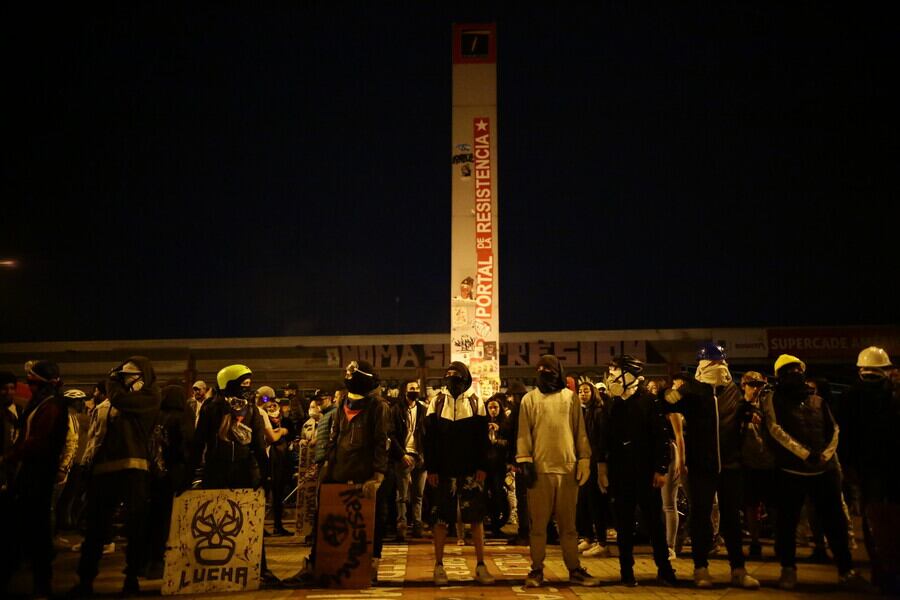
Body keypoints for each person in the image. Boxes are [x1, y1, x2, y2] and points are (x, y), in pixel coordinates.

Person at [762, 354, 873, 592]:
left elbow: (834, 429)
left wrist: (824, 455)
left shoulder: (819, 401)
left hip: (825, 471)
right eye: (789, 371)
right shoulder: (772, 399)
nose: (795, 374)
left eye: (797, 370)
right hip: (790, 472)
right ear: (780, 376)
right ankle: (788, 570)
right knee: (787, 525)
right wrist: (804, 454)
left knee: (836, 524)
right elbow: (774, 429)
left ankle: (846, 570)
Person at [284, 360, 390, 587]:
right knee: (326, 517)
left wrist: (378, 475)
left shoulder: (378, 407)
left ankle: (370, 565)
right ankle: (316, 564)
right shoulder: (342, 403)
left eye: (352, 373)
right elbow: (334, 436)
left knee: (372, 521)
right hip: (337, 471)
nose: (348, 375)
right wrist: (325, 467)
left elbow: (382, 442)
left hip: (365, 474)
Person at [663, 343, 759, 589]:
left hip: (730, 465)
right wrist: (676, 392)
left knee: (731, 519)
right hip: (701, 466)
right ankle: (700, 568)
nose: (717, 367)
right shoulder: (693, 392)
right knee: (700, 517)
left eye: (720, 363)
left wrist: (748, 406)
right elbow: (666, 404)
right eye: (712, 363)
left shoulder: (732, 392)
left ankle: (738, 569)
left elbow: (739, 419)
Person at [71, 356, 161, 597]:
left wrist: (112, 380)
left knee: (136, 527)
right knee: (96, 528)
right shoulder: (108, 404)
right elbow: (95, 437)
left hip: (135, 469)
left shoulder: (149, 397)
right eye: (123, 376)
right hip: (104, 470)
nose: (126, 380)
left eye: (130, 376)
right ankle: (86, 579)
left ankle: (132, 577)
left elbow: (122, 400)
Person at [516, 354, 599, 588]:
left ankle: (574, 568)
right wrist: (525, 462)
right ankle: (536, 570)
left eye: (548, 368)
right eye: (540, 368)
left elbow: (579, 431)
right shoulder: (529, 400)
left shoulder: (570, 399)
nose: (544, 372)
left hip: (567, 470)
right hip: (540, 471)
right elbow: (523, 434)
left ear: (558, 371)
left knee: (569, 527)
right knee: (539, 526)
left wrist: (584, 459)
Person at [598, 355, 677, 586]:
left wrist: (661, 469)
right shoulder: (612, 404)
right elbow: (603, 439)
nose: (612, 378)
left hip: (645, 474)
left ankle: (664, 569)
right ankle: (626, 571)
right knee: (623, 525)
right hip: (620, 474)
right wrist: (602, 467)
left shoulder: (649, 402)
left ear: (629, 375)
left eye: (615, 373)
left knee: (654, 523)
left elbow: (661, 438)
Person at [0, 361, 69, 599]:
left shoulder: (51, 406)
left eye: (31, 383)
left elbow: (37, 441)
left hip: (38, 476)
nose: (27, 388)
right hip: (30, 475)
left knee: (34, 532)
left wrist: (10, 456)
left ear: (40, 384)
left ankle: (42, 585)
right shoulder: (40, 404)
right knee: (21, 530)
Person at [424, 361, 495, 585]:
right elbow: (429, 439)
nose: (452, 381)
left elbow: (482, 440)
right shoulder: (436, 402)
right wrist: (431, 468)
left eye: (456, 377)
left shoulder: (476, 403)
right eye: (449, 377)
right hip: (443, 472)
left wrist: (482, 466)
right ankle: (439, 566)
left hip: (470, 472)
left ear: (465, 379)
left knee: (475, 518)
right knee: (441, 519)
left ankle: (481, 565)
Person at [839, 346, 900, 593]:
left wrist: (848, 467)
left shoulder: (849, 398)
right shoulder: (893, 397)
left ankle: (880, 570)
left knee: (872, 519)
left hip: (866, 469)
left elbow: (843, 437)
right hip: (893, 467)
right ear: (885, 369)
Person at [145, 383, 195, 578]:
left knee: (154, 517)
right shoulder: (183, 416)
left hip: (154, 472)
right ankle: (170, 559)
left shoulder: (155, 416)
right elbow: (187, 444)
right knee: (173, 518)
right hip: (176, 472)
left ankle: (150, 560)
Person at [738, 370, 775, 560]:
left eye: (759, 385)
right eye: (752, 385)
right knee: (751, 505)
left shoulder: (768, 406)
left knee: (773, 505)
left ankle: (778, 540)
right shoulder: (738, 406)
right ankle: (754, 541)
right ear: (743, 385)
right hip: (748, 463)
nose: (756, 389)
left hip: (768, 462)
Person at [575, 381, 610, 558]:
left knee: (596, 502)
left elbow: (600, 439)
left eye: (586, 391)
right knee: (584, 502)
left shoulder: (598, 411)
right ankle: (588, 537)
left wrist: (599, 462)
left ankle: (602, 541)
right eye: (580, 391)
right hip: (585, 461)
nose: (583, 394)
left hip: (595, 462)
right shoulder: (583, 412)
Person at [391, 379, 427, 541]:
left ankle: (418, 525)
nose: (415, 390)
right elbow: (391, 435)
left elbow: (428, 433)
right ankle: (402, 526)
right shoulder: (397, 410)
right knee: (402, 495)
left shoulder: (423, 410)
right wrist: (401, 454)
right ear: (404, 391)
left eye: (417, 388)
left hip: (420, 455)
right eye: (412, 388)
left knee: (418, 494)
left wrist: (425, 455)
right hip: (404, 455)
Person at [259, 385, 295, 536]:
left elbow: (290, 432)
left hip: (280, 459)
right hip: (267, 458)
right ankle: (261, 526)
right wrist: (280, 432)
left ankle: (277, 525)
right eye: (266, 399)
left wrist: (282, 431)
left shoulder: (284, 419)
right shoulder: (259, 414)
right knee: (264, 493)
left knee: (278, 493)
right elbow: (271, 436)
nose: (270, 404)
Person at [503, 379, 530, 545]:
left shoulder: (517, 411)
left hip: (521, 459)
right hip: (527, 458)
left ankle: (524, 533)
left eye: (511, 396)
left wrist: (513, 459)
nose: (509, 400)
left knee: (523, 498)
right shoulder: (528, 409)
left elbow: (510, 433)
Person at [485, 393, 511, 538]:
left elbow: (508, 442)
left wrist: (498, 431)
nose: (493, 410)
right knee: (484, 494)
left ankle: (496, 524)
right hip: (486, 464)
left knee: (497, 493)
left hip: (499, 465)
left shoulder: (505, 423)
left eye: (495, 407)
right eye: (490, 407)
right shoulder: (483, 422)